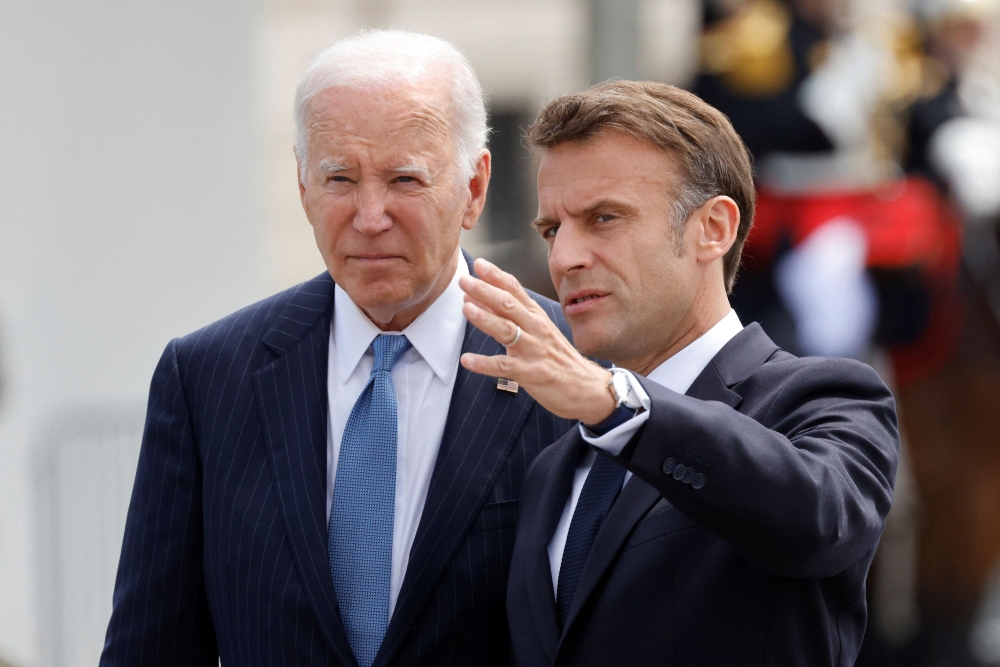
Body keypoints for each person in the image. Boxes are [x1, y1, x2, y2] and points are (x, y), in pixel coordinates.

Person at [99, 30, 574, 667]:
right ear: (301, 184)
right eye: (339, 178)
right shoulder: (209, 377)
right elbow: (149, 647)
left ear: (474, 187)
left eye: (405, 179)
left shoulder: (575, 367)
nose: (369, 214)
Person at [458, 81, 900, 666]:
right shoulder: (553, 467)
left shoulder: (825, 398)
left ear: (713, 228)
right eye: (552, 230)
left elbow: (819, 521)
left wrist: (615, 404)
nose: (564, 259)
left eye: (604, 217)